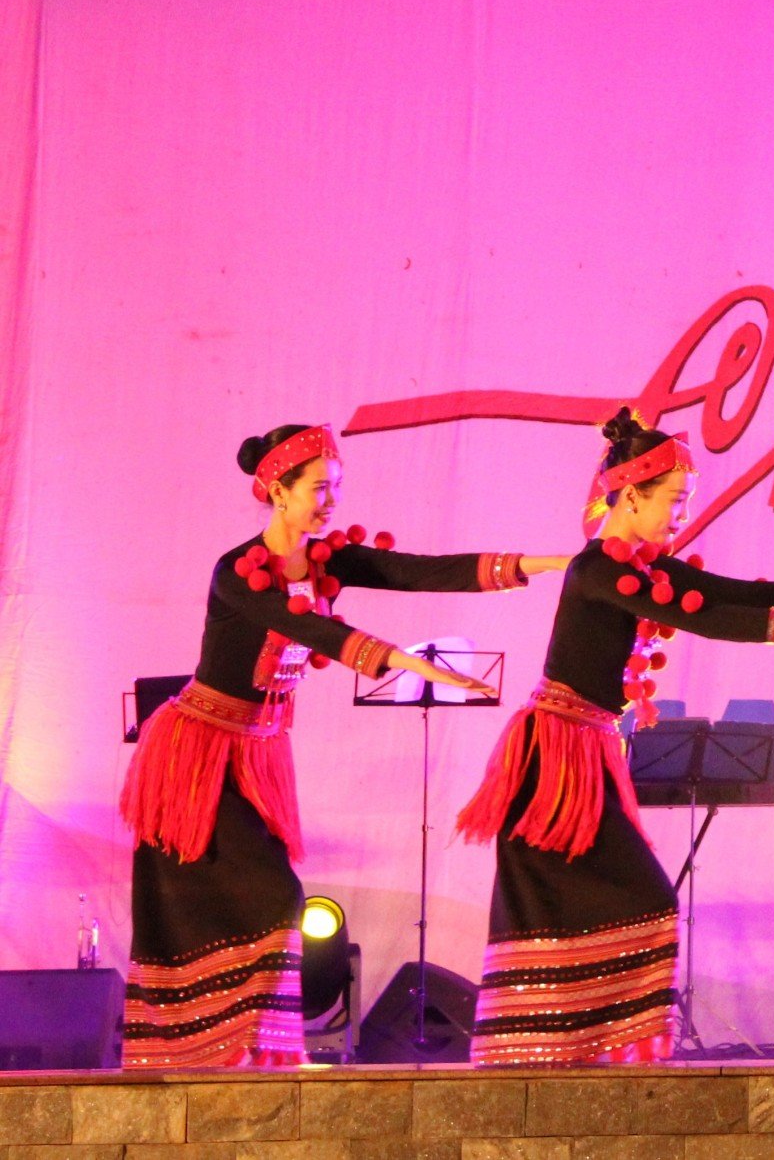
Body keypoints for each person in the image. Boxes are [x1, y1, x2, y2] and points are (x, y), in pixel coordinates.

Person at [458, 408, 774, 1067]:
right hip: (553, 764)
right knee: (603, 904)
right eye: (674, 499)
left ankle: (577, 1054)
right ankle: (550, 1053)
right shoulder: (597, 570)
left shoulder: (641, 566)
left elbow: (732, 593)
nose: (682, 514)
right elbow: (703, 618)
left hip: (585, 753)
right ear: (631, 496)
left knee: (609, 907)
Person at [122, 423, 540, 1069]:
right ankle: (206, 1049)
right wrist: (409, 662)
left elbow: (417, 571)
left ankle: (245, 1050)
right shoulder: (236, 572)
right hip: (196, 755)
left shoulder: (326, 561)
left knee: (258, 907)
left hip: (257, 752)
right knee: (262, 900)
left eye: (336, 486)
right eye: (319, 487)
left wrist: (540, 565)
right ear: (278, 491)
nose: (331, 500)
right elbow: (309, 630)